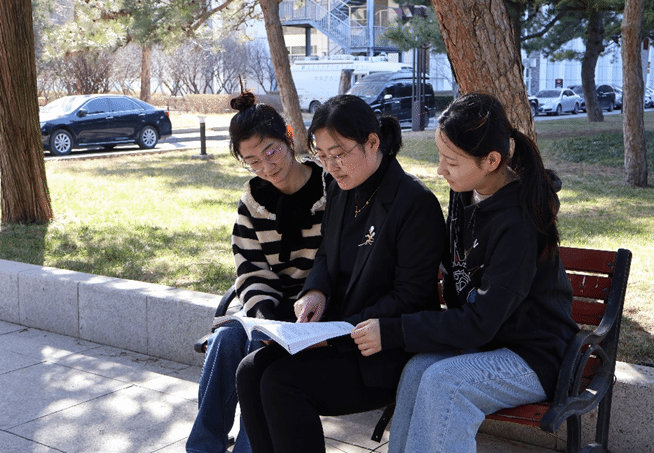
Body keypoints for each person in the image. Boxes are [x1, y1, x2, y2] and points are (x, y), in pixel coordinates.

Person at [358, 93, 579, 453]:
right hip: (488, 343)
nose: (440, 170)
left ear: (491, 161)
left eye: (451, 161)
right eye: (440, 156)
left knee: (445, 383)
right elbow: (456, 270)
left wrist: (394, 331)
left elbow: (480, 322)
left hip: (535, 356)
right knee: (417, 371)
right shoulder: (465, 191)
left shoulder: (519, 224)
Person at [235, 94, 446, 453]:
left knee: (282, 383)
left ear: (372, 142)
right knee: (250, 370)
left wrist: (335, 334)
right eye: (322, 156)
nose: (331, 166)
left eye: (339, 154)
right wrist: (314, 292)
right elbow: (326, 255)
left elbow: (409, 297)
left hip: (384, 348)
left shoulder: (414, 202)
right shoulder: (340, 189)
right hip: (336, 332)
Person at [186, 91, 328, 453]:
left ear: (289, 136)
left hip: (318, 311)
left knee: (257, 352)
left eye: (271, 152)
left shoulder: (330, 188)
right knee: (226, 340)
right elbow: (250, 271)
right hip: (267, 309)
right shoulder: (252, 202)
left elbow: (336, 262)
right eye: (252, 161)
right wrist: (265, 318)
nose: (266, 167)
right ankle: (203, 447)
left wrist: (287, 322)